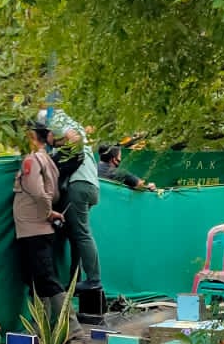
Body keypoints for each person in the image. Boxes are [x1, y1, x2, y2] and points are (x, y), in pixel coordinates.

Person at [38, 106, 104, 300]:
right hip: (91, 185)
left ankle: (94, 279)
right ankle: (78, 279)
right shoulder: (76, 125)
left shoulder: (57, 120)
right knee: (76, 234)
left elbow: (73, 137)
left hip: (79, 185)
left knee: (82, 234)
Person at [14, 122, 66, 325]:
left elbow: (39, 191)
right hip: (33, 229)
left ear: (31, 136)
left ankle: (72, 330)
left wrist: (47, 213)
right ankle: (41, 327)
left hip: (33, 228)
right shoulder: (47, 159)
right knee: (36, 281)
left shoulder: (32, 159)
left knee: (46, 279)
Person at [97, 144, 164, 195]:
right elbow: (140, 186)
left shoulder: (92, 170)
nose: (120, 159)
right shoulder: (121, 174)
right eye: (120, 156)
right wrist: (150, 187)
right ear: (114, 159)